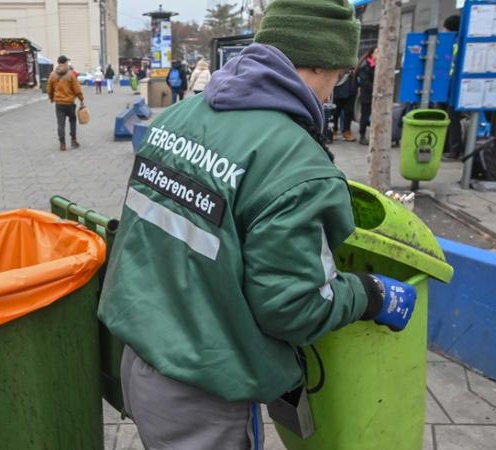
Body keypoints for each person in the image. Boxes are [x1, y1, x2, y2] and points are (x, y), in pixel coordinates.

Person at [98, 0, 418, 448]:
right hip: (206, 386)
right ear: (323, 65)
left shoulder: (176, 118)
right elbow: (294, 307)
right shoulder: (297, 165)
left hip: (141, 358)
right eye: (338, 76)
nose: (331, 93)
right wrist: (370, 294)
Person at [47, 55, 84, 151]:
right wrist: (81, 99)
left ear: (58, 62)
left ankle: (62, 144)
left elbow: (49, 89)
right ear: (66, 62)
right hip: (70, 103)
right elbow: (77, 89)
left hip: (59, 103)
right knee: (72, 121)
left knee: (60, 124)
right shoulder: (70, 74)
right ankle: (73, 140)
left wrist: (52, 98)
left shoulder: (52, 75)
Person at [441, 15, 465, 160]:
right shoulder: (459, 41)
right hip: (452, 88)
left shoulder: (453, 43)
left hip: (451, 89)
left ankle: (453, 150)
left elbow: (448, 64)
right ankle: (449, 148)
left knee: (452, 120)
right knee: (450, 119)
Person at [357, 47, 377, 145]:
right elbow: (365, 82)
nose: (379, 54)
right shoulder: (365, 66)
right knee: (365, 115)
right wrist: (376, 88)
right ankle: (362, 135)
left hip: (377, 97)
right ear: (371, 54)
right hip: (367, 96)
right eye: (377, 52)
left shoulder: (378, 65)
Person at [332, 67, 357, 141]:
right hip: (338, 89)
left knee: (349, 112)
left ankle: (346, 131)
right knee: (335, 113)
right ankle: (333, 131)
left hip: (351, 89)